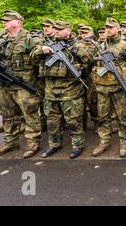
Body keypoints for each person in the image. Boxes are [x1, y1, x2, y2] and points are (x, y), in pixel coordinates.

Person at [32, 21, 93, 159]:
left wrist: (77, 70)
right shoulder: (47, 44)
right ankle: (54, 144)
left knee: (73, 120)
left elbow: (88, 63)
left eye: (60, 29)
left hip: (70, 90)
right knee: (52, 120)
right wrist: (41, 50)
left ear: (69, 30)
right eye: (56, 29)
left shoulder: (77, 46)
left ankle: (77, 145)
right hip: (50, 91)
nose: (57, 31)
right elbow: (32, 59)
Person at [0, 11, 42, 158]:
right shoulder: (2, 39)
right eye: (3, 20)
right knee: (7, 114)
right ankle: (11, 141)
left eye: (7, 20)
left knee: (29, 113)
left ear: (18, 22)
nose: (4, 22)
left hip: (23, 84)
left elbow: (38, 63)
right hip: (5, 84)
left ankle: (33, 142)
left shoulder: (31, 39)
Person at [91, 18, 126, 157]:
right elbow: (95, 63)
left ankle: (124, 141)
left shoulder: (125, 46)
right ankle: (104, 141)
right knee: (103, 116)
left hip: (118, 87)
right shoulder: (100, 46)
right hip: (102, 87)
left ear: (118, 29)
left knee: (122, 116)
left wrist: (123, 73)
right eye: (106, 27)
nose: (107, 30)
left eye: (110, 27)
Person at [78, 25, 99, 133]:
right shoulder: (76, 45)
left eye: (86, 33)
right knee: (80, 101)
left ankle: (96, 123)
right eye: (82, 33)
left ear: (91, 33)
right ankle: (83, 124)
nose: (83, 35)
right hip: (80, 76)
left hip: (92, 77)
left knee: (93, 101)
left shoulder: (97, 45)